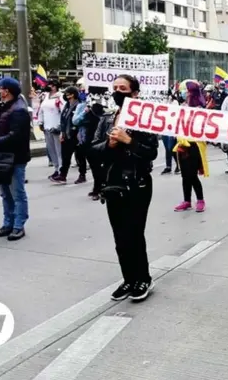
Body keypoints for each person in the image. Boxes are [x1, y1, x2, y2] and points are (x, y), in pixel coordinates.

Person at [91, 74, 158, 302]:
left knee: (134, 234)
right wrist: (108, 144)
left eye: (124, 88)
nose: (119, 92)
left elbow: (151, 152)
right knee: (120, 236)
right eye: (116, 88)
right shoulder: (108, 117)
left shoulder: (145, 118)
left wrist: (129, 140)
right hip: (112, 184)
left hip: (137, 183)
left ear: (135, 93)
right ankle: (128, 279)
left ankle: (143, 279)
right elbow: (92, 148)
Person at [0, 78, 30, 241]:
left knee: (17, 193)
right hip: (0, 156)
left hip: (15, 158)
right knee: (4, 193)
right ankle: (7, 223)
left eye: (0, 88)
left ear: (7, 91)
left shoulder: (19, 110)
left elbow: (16, 136)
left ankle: (18, 225)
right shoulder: (1, 107)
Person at [174, 81, 209, 212]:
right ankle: (187, 200)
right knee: (184, 175)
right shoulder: (182, 106)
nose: (184, 93)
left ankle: (200, 200)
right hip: (182, 144)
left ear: (192, 93)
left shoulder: (199, 109)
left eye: (187, 91)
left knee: (192, 175)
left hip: (195, 145)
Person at [53, 87, 87, 184]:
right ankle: (62, 175)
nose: (67, 95)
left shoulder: (80, 105)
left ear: (73, 94)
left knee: (80, 156)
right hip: (66, 134)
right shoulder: (67, 105)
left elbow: (80, 120)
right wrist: (62, 132)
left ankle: (82, 175)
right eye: (66, 93)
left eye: (69, 93)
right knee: (65, 156)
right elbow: (62, 120)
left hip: (76, 134)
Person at [37, 80, 64, 179]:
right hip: (47, 127)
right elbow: (41, 110)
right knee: (51, 149)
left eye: (50, 85)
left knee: (59, 150)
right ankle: (56, 169)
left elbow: (63, 111)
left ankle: (61, 170)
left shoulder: (60, 96)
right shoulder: (45, 96)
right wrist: (40, 122)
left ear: (55, 86)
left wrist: (61, 126)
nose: (48, 86)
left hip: (56, 127)